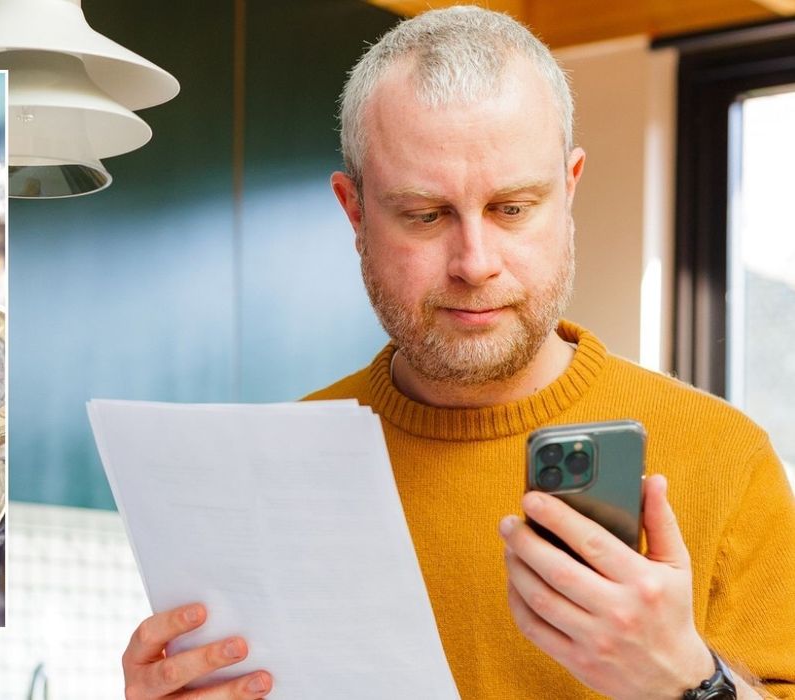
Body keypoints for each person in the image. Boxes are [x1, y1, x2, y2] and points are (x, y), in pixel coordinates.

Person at [119, 6, 795, 699]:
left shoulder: (725, 459)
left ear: (568, 189)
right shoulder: (272, 464)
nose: (474, 264)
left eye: (512, 208)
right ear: (353, 212)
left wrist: (691, 683)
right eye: (424, 215)